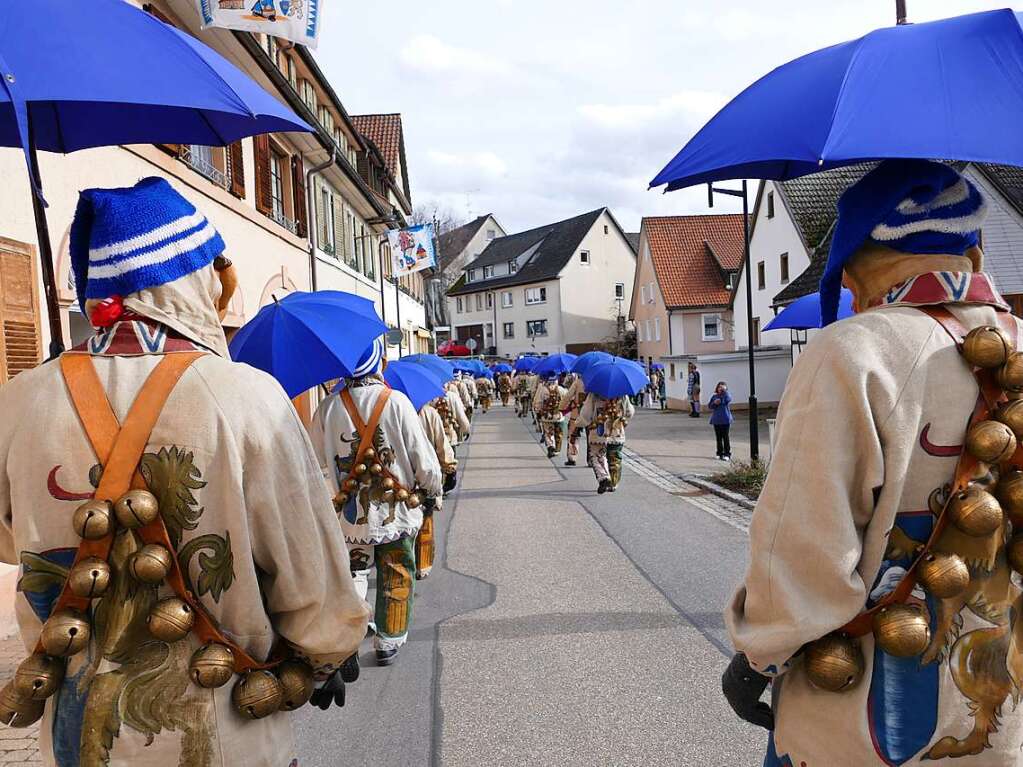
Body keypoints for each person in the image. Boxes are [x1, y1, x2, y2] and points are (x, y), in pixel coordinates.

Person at [0, 178, 369, 766]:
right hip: (226, 731)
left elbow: (11, 541)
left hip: (76, 738)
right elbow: (309, 571)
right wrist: (324, 653)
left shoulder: (18, 399)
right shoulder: (247, 395)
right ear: (187, 276)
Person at [723, 160, 1023, 765]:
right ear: (973, 252)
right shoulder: (1014, 345)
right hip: (1000, 702)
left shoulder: (852, 351)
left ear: (860, 259)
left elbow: (803, 541)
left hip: (868, 707)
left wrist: (760, 654)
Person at [310, 338, 443, 666]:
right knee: (396, 570)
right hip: (396, 513)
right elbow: (422, 457)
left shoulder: (328, 406)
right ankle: (388, 640)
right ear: (379, 363)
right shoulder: (396, 402)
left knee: (353, 573)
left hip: (349, 517)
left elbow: (313, 461)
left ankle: (350, 636)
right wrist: (432, 489)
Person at [415, 398, 457, 580]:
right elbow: (441, 443)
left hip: (398, 477)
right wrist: (450, 466)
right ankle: (422, 565)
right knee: (425, 521)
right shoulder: (428, 413)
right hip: (426, 474)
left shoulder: (387, 407)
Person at [575, 391, 635, 493]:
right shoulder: (622, 394)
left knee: (597, 455)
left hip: (598, 432)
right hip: (616, 432)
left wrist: (578, 424)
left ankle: (604, 478)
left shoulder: (594, 394)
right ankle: (613, 482)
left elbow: (586, 414)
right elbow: (630, 412)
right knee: (615, 457)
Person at [534, 376, 567, 459]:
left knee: (548, 432)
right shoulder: (560, 389)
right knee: (559, 432)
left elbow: (538, 402)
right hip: (558, 415)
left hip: (546, 415)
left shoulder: (542, 389)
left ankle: (550, 446)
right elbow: (566, 399)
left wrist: (538, 412)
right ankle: (557, 449)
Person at [560, 373, 587, 467]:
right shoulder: (597, 383)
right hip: (593, 414)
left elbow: (568, 396)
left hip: (577, 412)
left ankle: (572, 457)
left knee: (573, 435)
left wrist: (561, 407)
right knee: (592, 437)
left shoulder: (578, 382)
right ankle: (592, 458)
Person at [708, 381, 732, 461]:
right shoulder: (714, 396)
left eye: (722, 387)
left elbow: (728, 399)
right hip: (716, 420)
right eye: (719, 387)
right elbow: (710, 406)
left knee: (725, 437)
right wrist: (714, 403)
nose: (720, 389)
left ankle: (727, 454)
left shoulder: (726, 395)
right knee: (718, 438)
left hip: (725, 419)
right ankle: (719, 453)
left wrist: (724, 392)